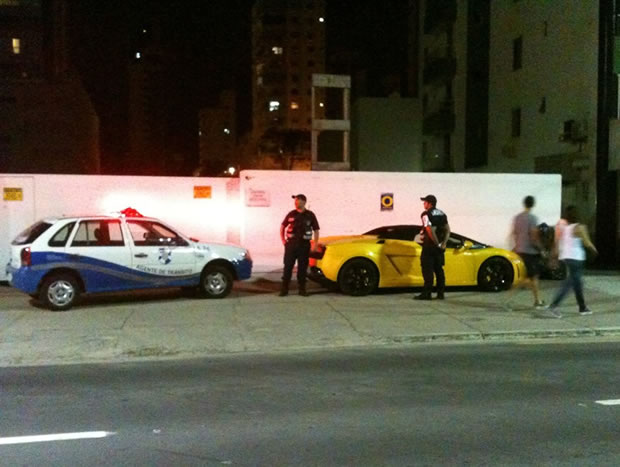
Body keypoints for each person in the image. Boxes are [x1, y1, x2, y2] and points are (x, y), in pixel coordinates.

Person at [543, 206, 598, 318]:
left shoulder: (565, 228)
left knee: (577, 283)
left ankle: (582, 307)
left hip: (567, 257)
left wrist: (553, 257)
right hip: (577, 258)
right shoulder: (580, 228)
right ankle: (554, 305)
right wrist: (595, 250)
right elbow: (587, 243)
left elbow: (558, 243)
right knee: (570, 283)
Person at [503, 195, 545, 310]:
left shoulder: (517, 218)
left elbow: (514, 233)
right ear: (533, 204)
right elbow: (533, 236)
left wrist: (516, 245)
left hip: (520, 249)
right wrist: (540, 249)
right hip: (530, 251)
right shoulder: (532, 218)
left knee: (531, 277)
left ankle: (537, 300)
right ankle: (508, 300)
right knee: (529, 278)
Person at [279, 194, 320, 297]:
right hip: (291, 245)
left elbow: (316, 230)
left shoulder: (310, 215)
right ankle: (284, 289)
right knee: (288, 267)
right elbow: (282, 227)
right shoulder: (291, 214)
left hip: (304, 246)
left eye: (298, 200)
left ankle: (302, 289)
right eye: (295, 201)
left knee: (302, 268)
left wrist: (315, 244)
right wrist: (283, 240)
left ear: (304, 202)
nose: (296, 202)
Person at [415, 194, 450, 300]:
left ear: (430, 203)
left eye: (425, 202)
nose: (423, 204)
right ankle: (440, 293)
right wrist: (443, 243)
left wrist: (436, 243)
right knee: (439, 269)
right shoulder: (442, 214)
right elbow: (448, 230)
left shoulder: (425, 214)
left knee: (427, 269)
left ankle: (427, 293)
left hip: (430, 246)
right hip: (440, 248)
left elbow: (429, 230)